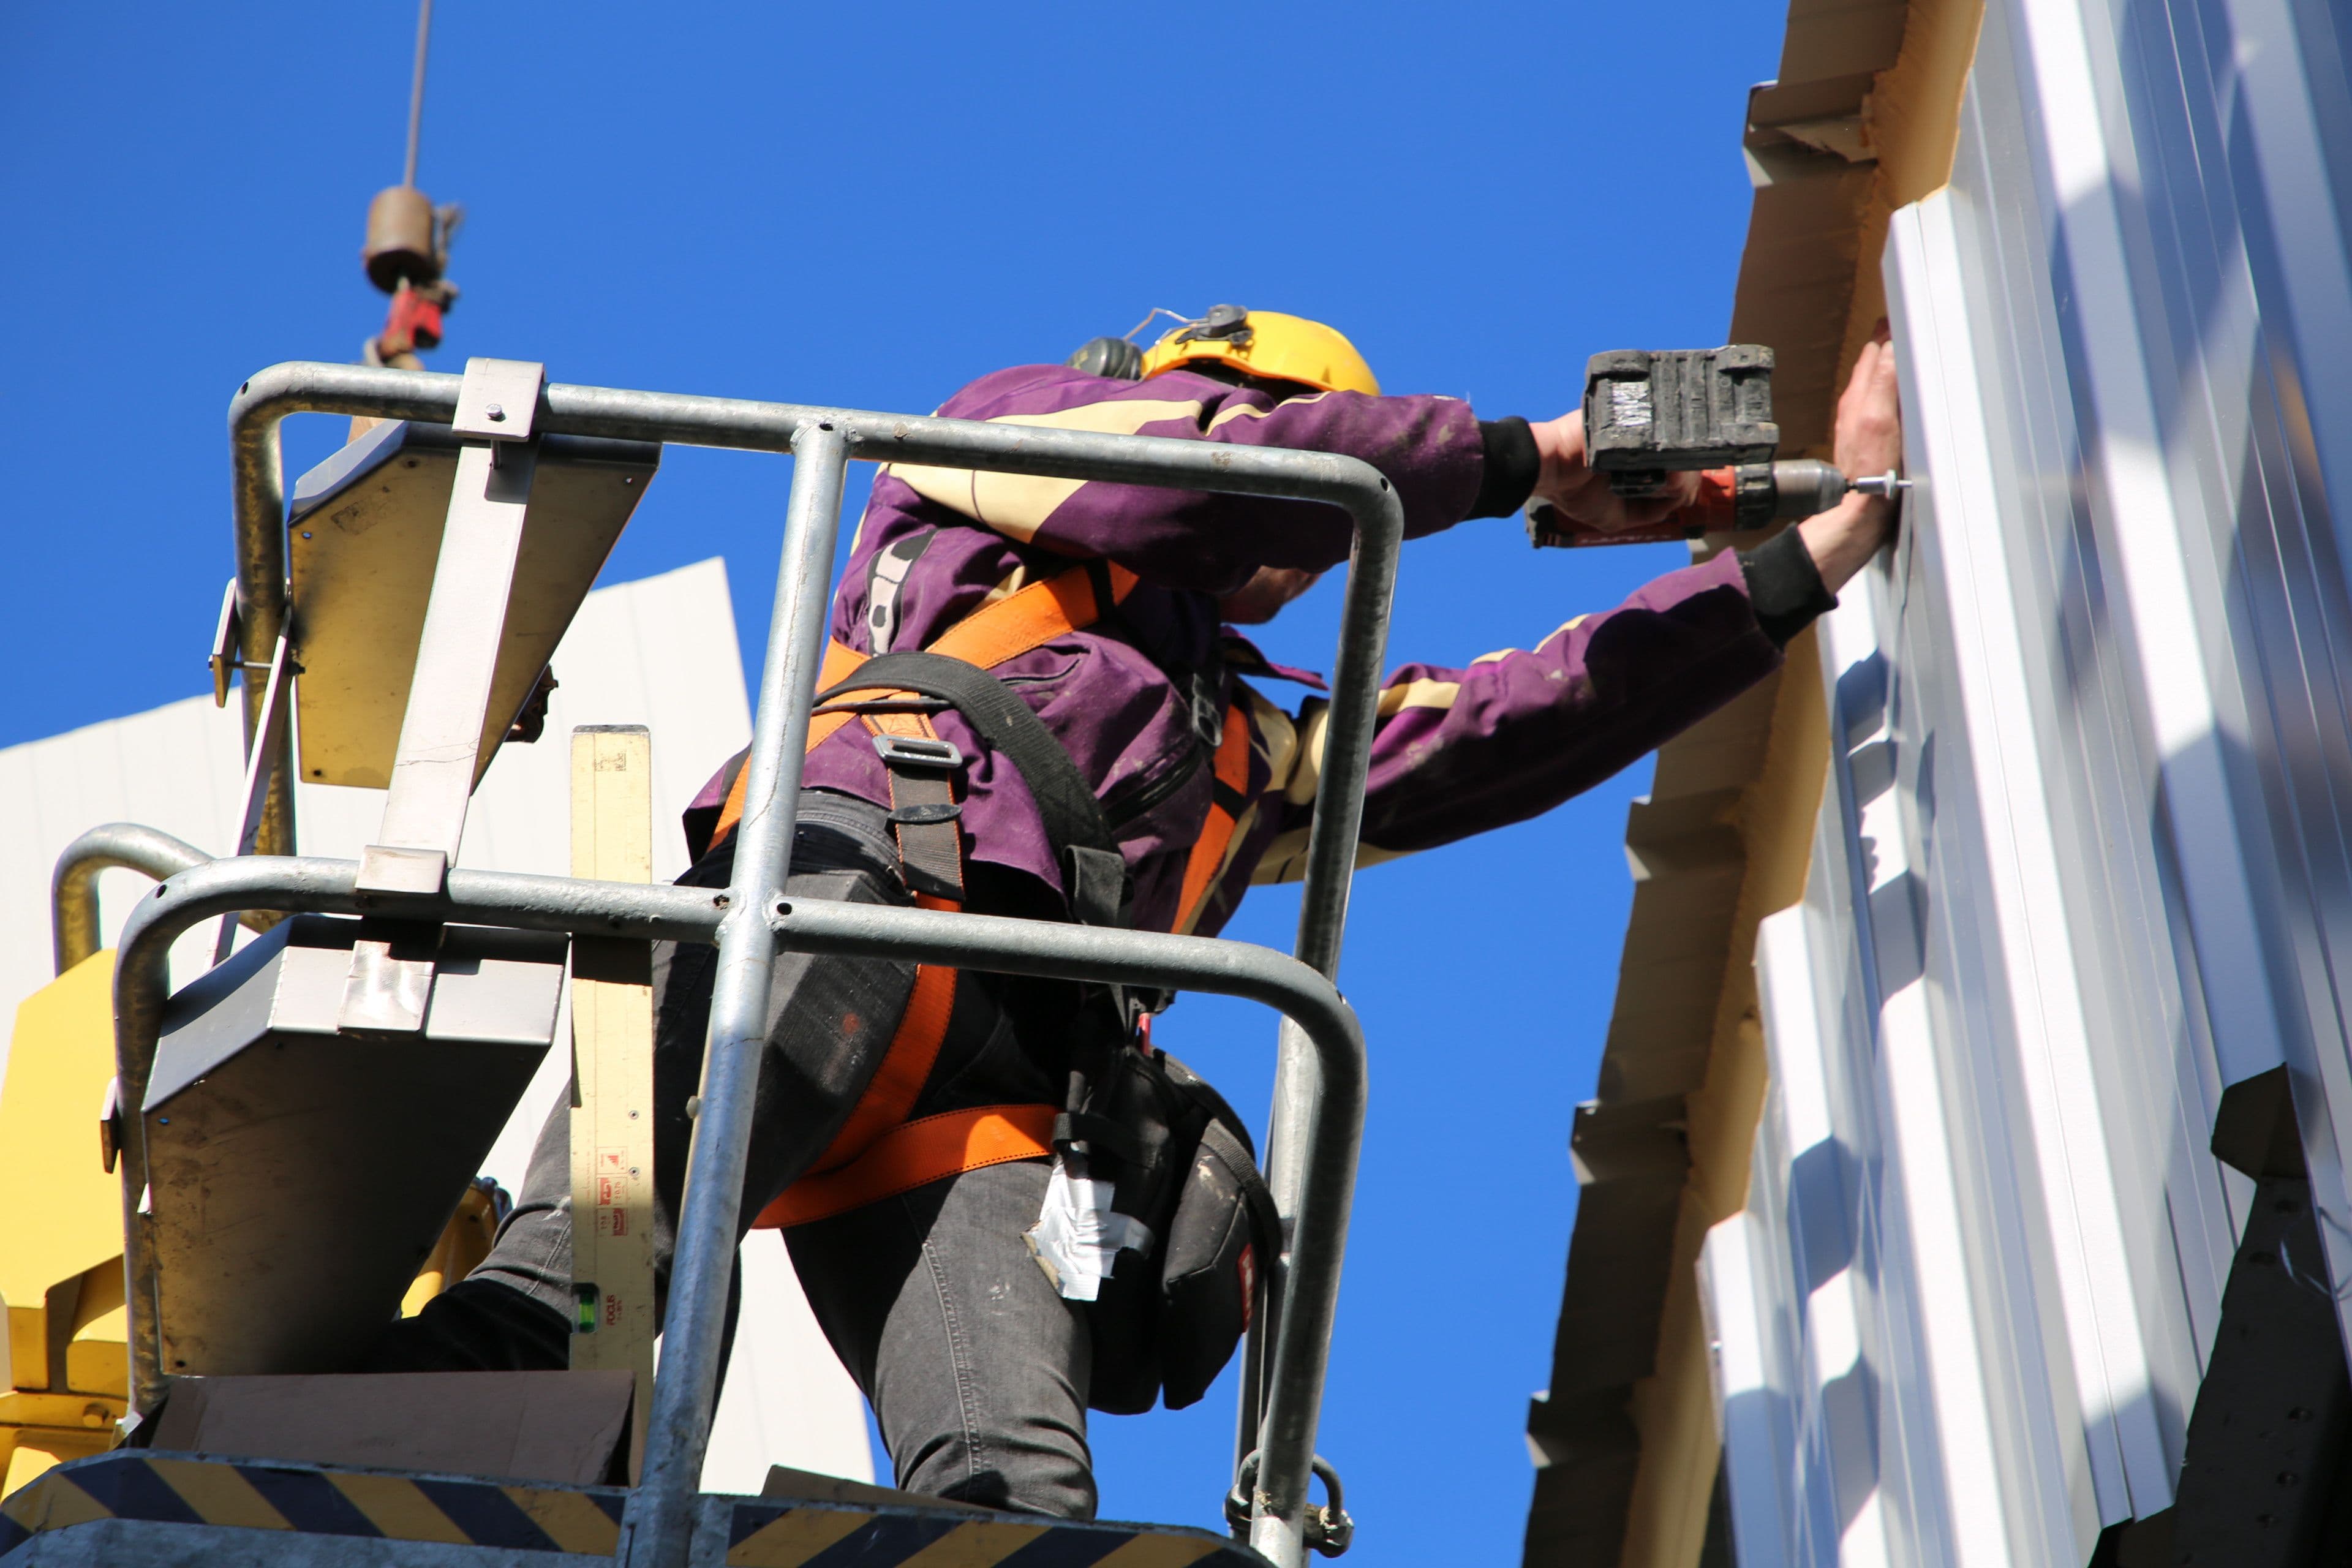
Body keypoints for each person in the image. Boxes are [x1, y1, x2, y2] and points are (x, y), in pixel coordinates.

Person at [373, 308, 1904, 1518]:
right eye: (1306, 452)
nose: (1303, 576)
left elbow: (1523, 718)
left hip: (1002, 1093)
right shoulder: (994, 448)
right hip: (851, 890)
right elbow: (1208, 474)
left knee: (1009, 1492)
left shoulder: (1247, 735)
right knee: (590, 1287)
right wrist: (1523, 456)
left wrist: (1808, 562)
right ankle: (376, 1487)